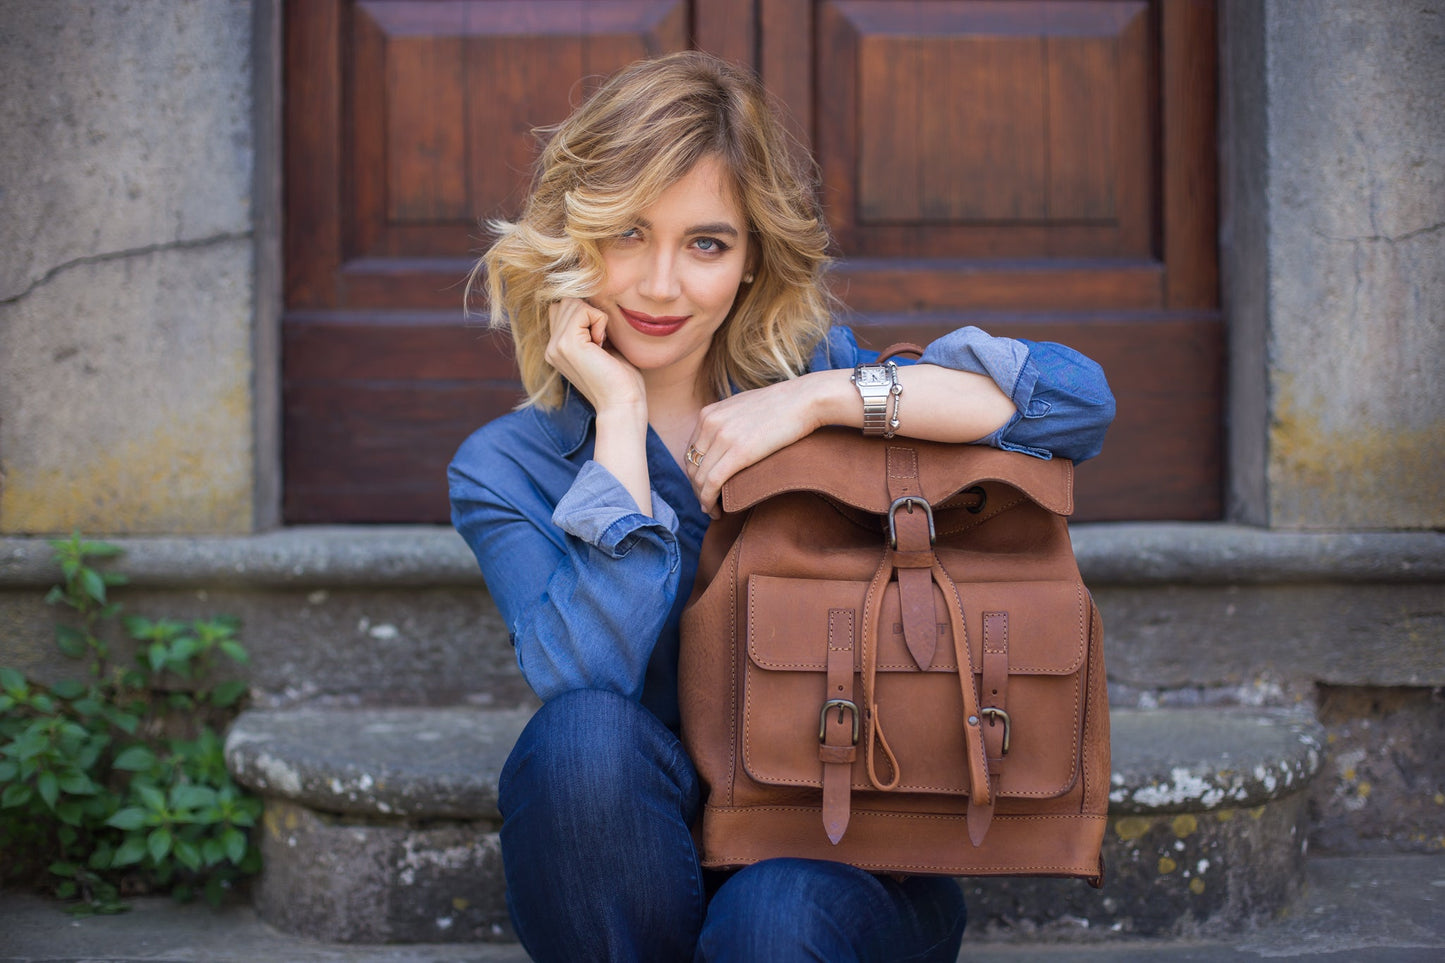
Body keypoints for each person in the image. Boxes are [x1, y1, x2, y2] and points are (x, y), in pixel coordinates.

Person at [449, 50, 1115, 962]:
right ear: (574, 239)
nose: (659, 285)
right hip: (637, 870)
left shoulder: (819, 378)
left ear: (753, 252)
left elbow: (1073, 404)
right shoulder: (505, 468)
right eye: (627, 234)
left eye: (706, 243)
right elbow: (589, 680)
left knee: (771, 917)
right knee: (575, 742)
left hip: (836, 855)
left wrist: (818, 400)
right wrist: (619, 416)